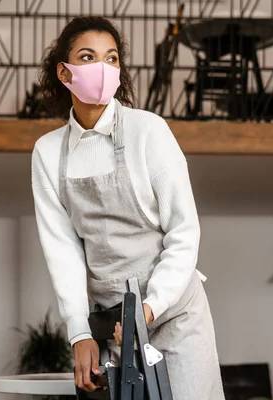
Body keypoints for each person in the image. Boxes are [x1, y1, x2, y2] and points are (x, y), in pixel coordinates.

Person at [31, 16, 225, 399]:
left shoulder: (148, 132)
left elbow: (183, 233)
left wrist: (147, 310)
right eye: (88, 57)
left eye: (112, 58)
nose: (102, 69)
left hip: (172, 315)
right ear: (64, 73)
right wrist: (79, 333)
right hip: (110, 324)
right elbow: (63, 251)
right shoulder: (48, 152)